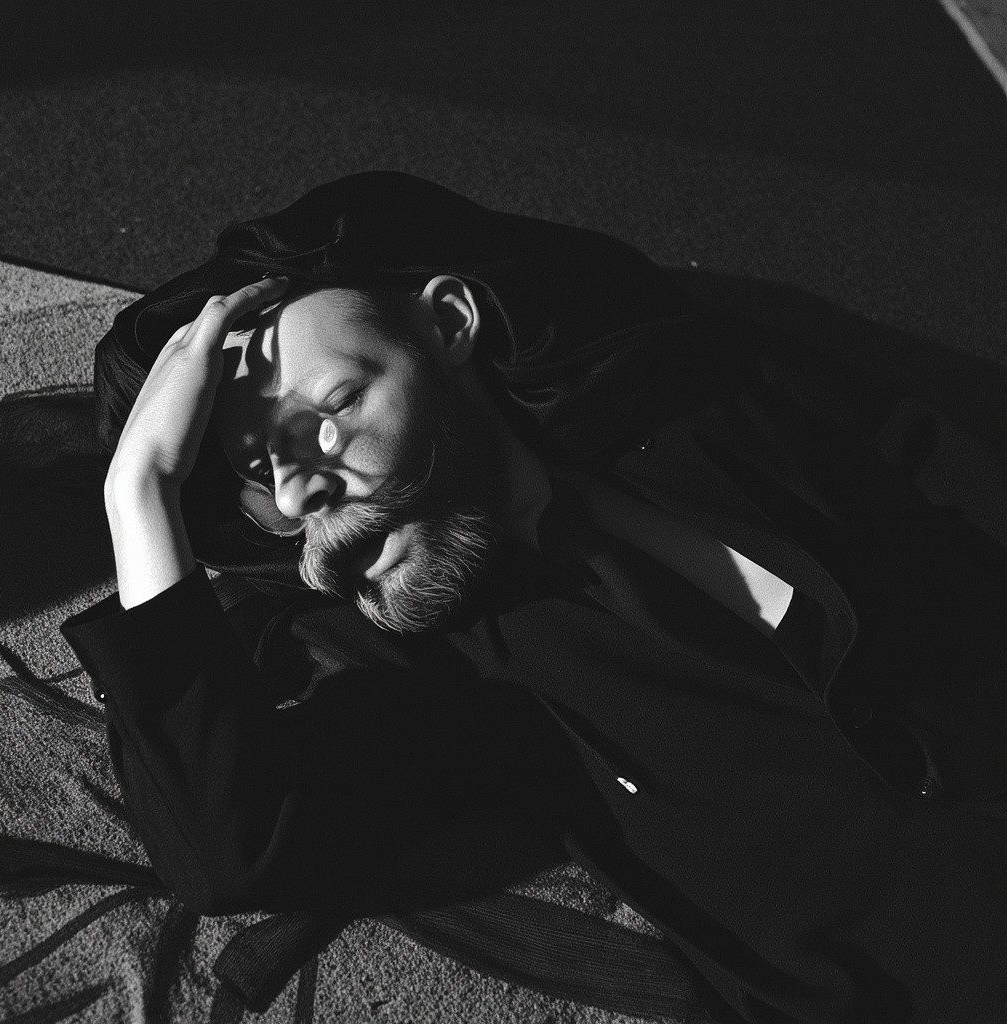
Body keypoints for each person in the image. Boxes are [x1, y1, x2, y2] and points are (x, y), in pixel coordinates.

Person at [60, 172, 1005, 1024]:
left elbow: (950, 473)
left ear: (449, 324)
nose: (301, 491)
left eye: (329, 411)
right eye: (263, 471)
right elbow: (233, 851)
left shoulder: (701, 403)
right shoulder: (447, 669)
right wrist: (140, 491)